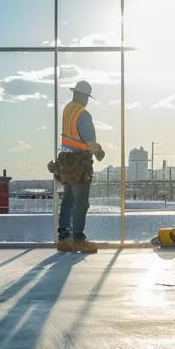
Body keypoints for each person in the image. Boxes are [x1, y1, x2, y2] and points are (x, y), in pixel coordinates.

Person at [56, 81, 106, 253]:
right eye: (86, 97)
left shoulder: (67, 110)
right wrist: (99, 151)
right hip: (79, 164)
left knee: (68, 199)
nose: (86, 101)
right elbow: (89, 141)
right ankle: (78, 238)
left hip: (65, 163)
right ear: (84, 96)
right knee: (81, 202)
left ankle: (64, 238)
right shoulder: (83, 114)